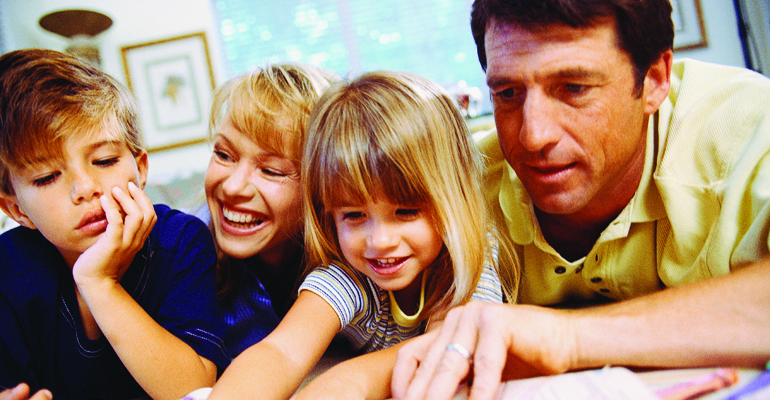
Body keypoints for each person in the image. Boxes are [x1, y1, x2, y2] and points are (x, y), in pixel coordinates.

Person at [390, 0, 770, 399]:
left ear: (655, 79)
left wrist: (567, 338)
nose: (533, 136)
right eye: (507, 92)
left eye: (574, 88)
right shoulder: (460, 191)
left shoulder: (749, 130)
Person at [207, 71, 511, 400]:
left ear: (455, 199)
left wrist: (348, 379)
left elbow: (443, 352)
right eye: (353, 215)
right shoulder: (349, 275)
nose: (379, 241)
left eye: (406, 212)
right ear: (327, 213)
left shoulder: (471, 259)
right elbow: (280, 353)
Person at [0, 49, 229, 400]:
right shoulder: (7, 270)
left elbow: (193, 389)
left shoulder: (180, 241)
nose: (85, 188)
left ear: (141, 168)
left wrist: (98, 282)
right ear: (16, 210)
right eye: (47, 177)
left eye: (104, 160)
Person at [200, 63, 339, 358]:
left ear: (322, 186)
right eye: (223, 155)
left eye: (272, 171)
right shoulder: (185, 260)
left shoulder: (360, 263)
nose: (233, 187)